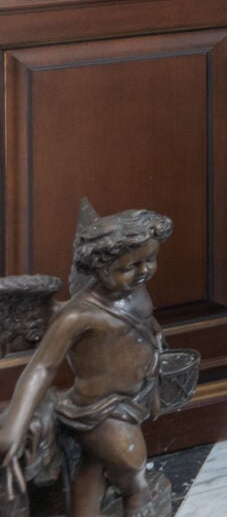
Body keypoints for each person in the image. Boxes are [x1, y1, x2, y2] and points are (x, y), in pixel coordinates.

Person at [0, 205, 199, 517]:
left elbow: (144, 321)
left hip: (136, 397)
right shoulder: (77, 315)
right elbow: (42, 367)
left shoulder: (135, 289)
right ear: (102, 269)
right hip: (99, 411)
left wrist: (155, 340)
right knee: (132, 470)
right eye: (132, 266)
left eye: (150, 260)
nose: (144, 271)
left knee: (92, 466)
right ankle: (139, 507)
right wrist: (14, 423)